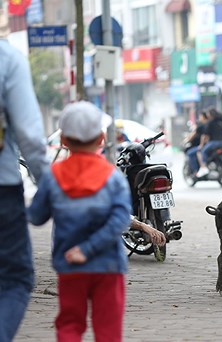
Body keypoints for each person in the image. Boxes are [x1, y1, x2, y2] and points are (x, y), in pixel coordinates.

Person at [27, 101, 132, 341]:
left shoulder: (54, 176)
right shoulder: (113, 178)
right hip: (109, 267)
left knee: (70, 325)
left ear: (63, 139)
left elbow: (36, 216)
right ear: (102, 138)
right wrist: (90, 249)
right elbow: (120, 221)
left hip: (70, 266)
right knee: (108, 329)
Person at [0, 15, 50, 341]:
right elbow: (30, 138)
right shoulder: (7, 59)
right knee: (14, 279)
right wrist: (48, 183)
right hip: (2, 191)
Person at [196, 108, 222, 178]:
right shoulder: (221, 121)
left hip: (216, 142)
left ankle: (204, 167)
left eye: (208, 113)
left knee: (203, 151)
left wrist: (201, 145)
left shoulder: (210, 123)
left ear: (210, 114)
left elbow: (205, 135)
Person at [184, 111, 208, 175]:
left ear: (203, 117)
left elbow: (201, 136)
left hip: (203, 146)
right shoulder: (208, 124)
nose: (199, 118)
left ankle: (196, 171)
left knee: (190, 153)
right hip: (208, 145)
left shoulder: (202, 126)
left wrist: (201, 145)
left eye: (200, 116)